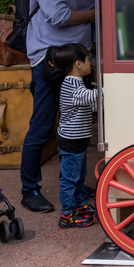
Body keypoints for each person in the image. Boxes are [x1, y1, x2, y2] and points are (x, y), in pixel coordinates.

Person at [20, 0, 96, 213]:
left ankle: (76, 184)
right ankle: (29, 189)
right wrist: (94, 13)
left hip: (78, 62)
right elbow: (59, 15)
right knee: (42, 126)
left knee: (76, 126)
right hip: (48, 61)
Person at [48, 43, 98, 229]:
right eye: (87, 59)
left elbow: (87, 102)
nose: (89, 63)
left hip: (77, 139)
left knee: (79, 176)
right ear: (78, 64)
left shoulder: (76, 83)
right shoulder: (71, 85)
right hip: (71, 140)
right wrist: (111, 90)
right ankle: (67, 215)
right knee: (69, 179)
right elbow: (89, 97)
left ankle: (81, 205)